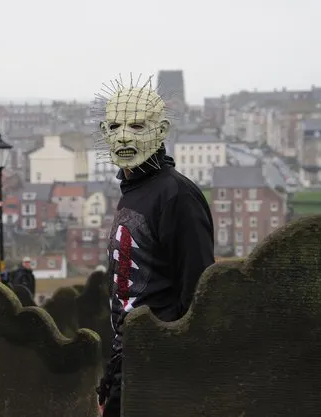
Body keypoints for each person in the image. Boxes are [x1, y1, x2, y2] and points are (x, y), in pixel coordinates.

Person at [95, 79, 215, 416]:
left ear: (160, 130)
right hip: (129, 363)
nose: (123, 136)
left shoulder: (177, 195)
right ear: (104, 131)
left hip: (160, 368)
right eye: (115, 126)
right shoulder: (133, 190)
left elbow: (199, 291)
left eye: (136, 125)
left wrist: (176, 364)